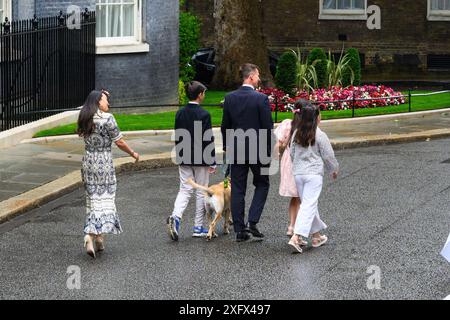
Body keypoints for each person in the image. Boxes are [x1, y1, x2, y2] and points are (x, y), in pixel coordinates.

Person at [78, 90, 139, 259]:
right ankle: (91, 235)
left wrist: (102, 92)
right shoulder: (108, 118)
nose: (108, 104)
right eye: (106, 100)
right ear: (98, 101)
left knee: (93, 199)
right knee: (105, 199)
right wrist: (133, 153)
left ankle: (98, 239)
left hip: (88, 161)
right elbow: (119, 141)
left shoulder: (85, 116)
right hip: (103, 163)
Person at [221, 63, 273, 242]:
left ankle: (239, 230)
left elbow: (225, 127)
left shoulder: (229, 98)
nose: (259, 79)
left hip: (236, 150)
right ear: (250, 77)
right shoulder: (261, 99)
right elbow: (267, 128)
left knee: (238, 189)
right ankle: (253, 220)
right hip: (258, 150)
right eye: (257, 76)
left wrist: (227, 148)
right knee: (263, 184)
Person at [167, 81, 216, 241]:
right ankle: (198, 226)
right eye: (204, 92)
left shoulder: (179, 113)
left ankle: (176, 216)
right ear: (200, 94)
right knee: (201, 191)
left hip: (184, 156)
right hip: (201, 158)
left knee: (184, 189)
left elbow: (178, 135)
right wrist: (212, 160)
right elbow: (207, 139)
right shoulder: (204, 114)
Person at [288, 101, 339, 253]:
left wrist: (297, 166)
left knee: (309, 204)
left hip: (299, 174)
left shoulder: (297, 133)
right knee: (309, 205)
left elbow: (292, 153)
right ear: (315, 118)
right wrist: (334, 169)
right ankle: (296, 237)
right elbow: (328, 156)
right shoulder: (320, 134)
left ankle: (316, 236)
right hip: (314, 175)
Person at [274, 103, 305, 237]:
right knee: (303, 196)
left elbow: (278, 143)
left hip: (288, 161)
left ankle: (291, 226)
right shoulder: (307, 127)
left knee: (295, 196)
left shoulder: (287, 124)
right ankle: (300, 228)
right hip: (302, 162)